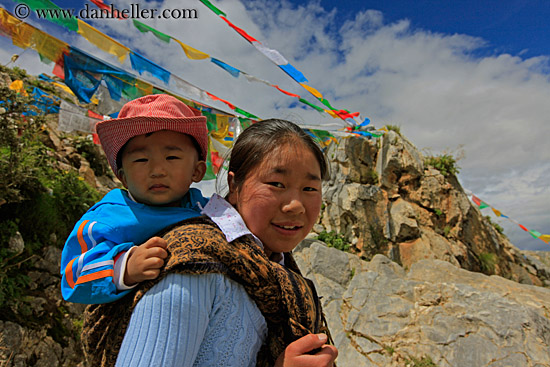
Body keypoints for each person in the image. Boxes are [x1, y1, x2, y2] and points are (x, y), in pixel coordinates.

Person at [81, 119, 339, 367]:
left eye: (309, 189)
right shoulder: (192, 266)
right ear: (233, 185)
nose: (295, 206)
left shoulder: (284, 280)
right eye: (276, 184)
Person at [60, 94, 209, 304]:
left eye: (172, 157)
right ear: (123, 177)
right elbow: (73, 276)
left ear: (197, 171)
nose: (157, 170)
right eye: (141, 159)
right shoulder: (107, 218)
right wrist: (125, 267)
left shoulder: (209, 209)